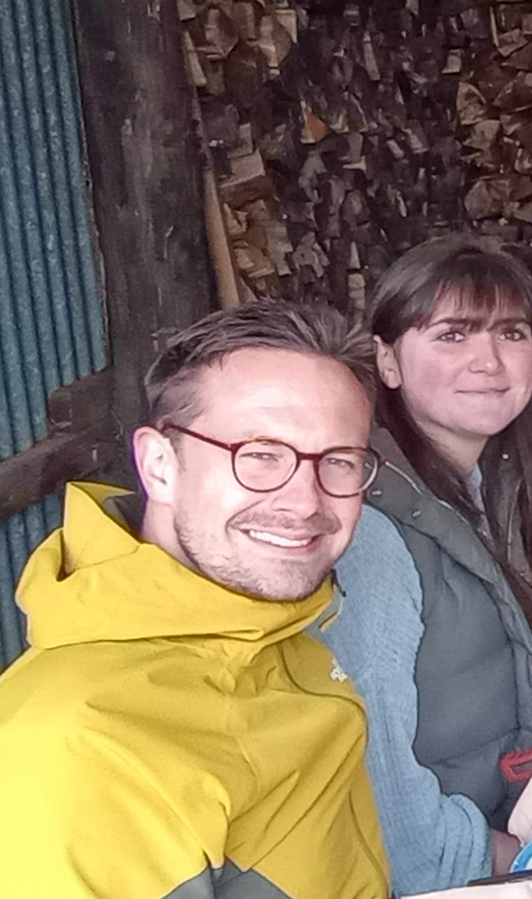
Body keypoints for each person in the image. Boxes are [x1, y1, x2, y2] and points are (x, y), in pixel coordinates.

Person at [0, 301, 390, 896]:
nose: (306, 502)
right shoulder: (80, 747)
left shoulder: (265, 630)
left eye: (338, 461)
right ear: (159, 466)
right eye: (260, 456)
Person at [319, 238, 532, 892]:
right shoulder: (373, 532)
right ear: (387, 361)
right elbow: (377, 784)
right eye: (453, 334)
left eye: (511, 332)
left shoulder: (498, 478)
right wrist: (512, 854)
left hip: (522, 815)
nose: (489, 361)